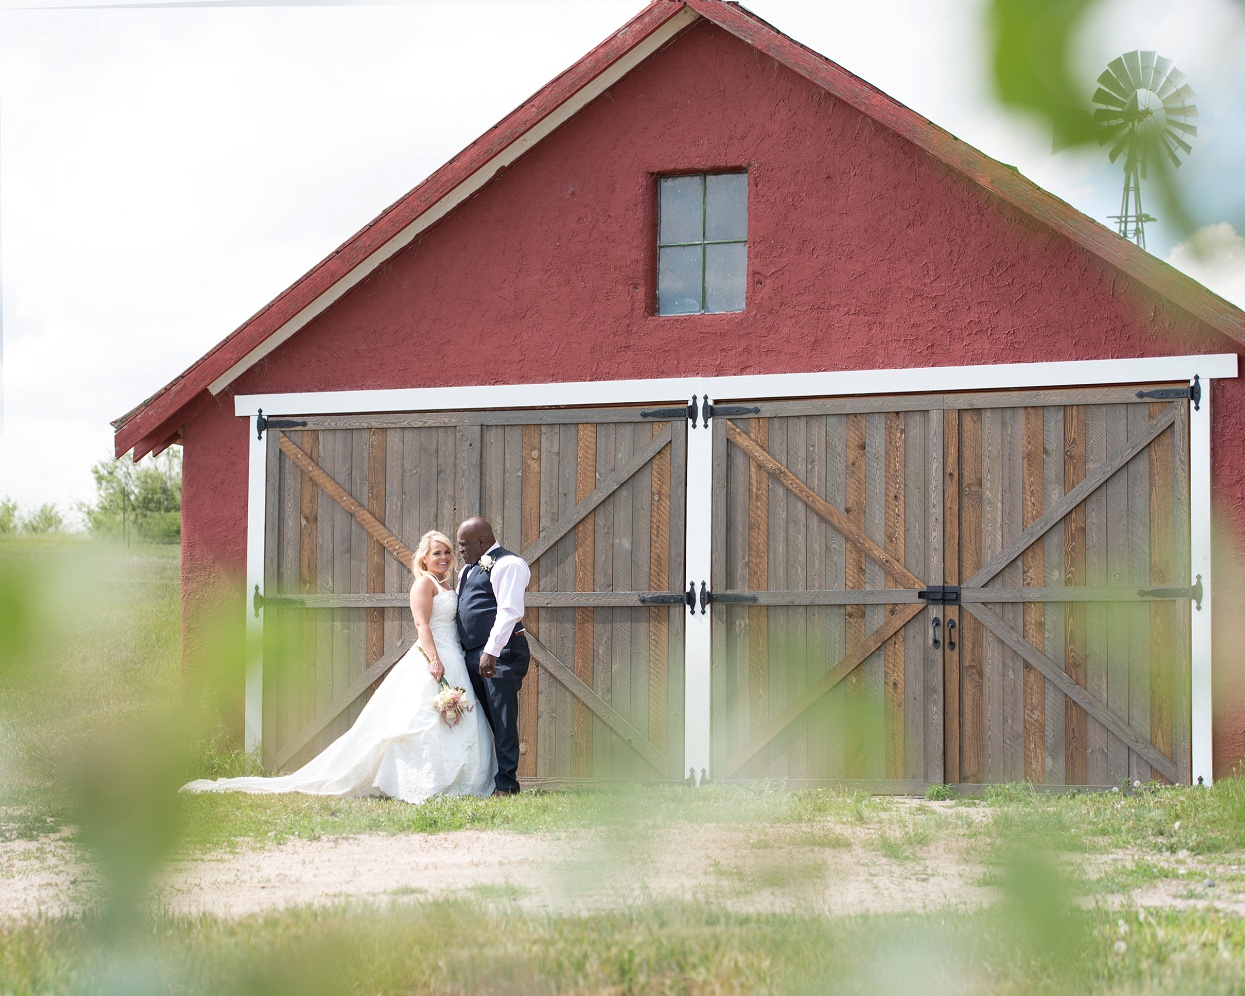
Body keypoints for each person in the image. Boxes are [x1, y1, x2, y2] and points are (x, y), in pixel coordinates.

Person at [182, 530, 496, 802]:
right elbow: (421, 624)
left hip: (453, 654)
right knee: (420, 721)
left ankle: (458, 780)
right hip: (434, 657)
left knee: (454, 717)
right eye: (436, 553)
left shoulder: (447, 585)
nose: (443, 557)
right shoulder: (424, 584)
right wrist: (435, 661)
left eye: (447, 552)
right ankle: (416, 782)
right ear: (424, 559)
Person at [455, 516, 531, 796]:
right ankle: (486, 780)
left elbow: (509, 611)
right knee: (482, 721)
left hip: (501, 652)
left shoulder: (508, 564)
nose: (460, 550)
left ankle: (508, 784)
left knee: (502, 718)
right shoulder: (468, 570)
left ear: (482, 541)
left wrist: (491, 651)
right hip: (474, 653)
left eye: (464, 544)